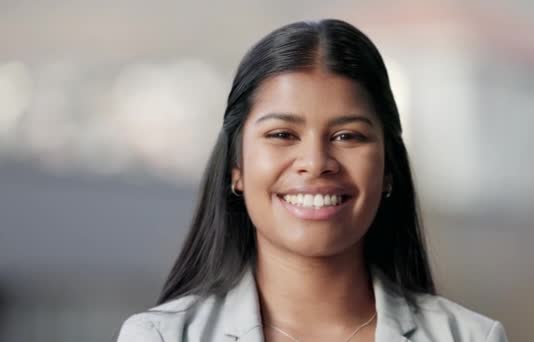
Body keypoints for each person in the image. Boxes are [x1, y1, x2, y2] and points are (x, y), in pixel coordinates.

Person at [116, 19, 509, 342]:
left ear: (388, 168)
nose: (316, 163)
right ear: (236, 168)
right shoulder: (160, 336)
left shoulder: (470, 337)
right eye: (283, 135)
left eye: (347, 136)